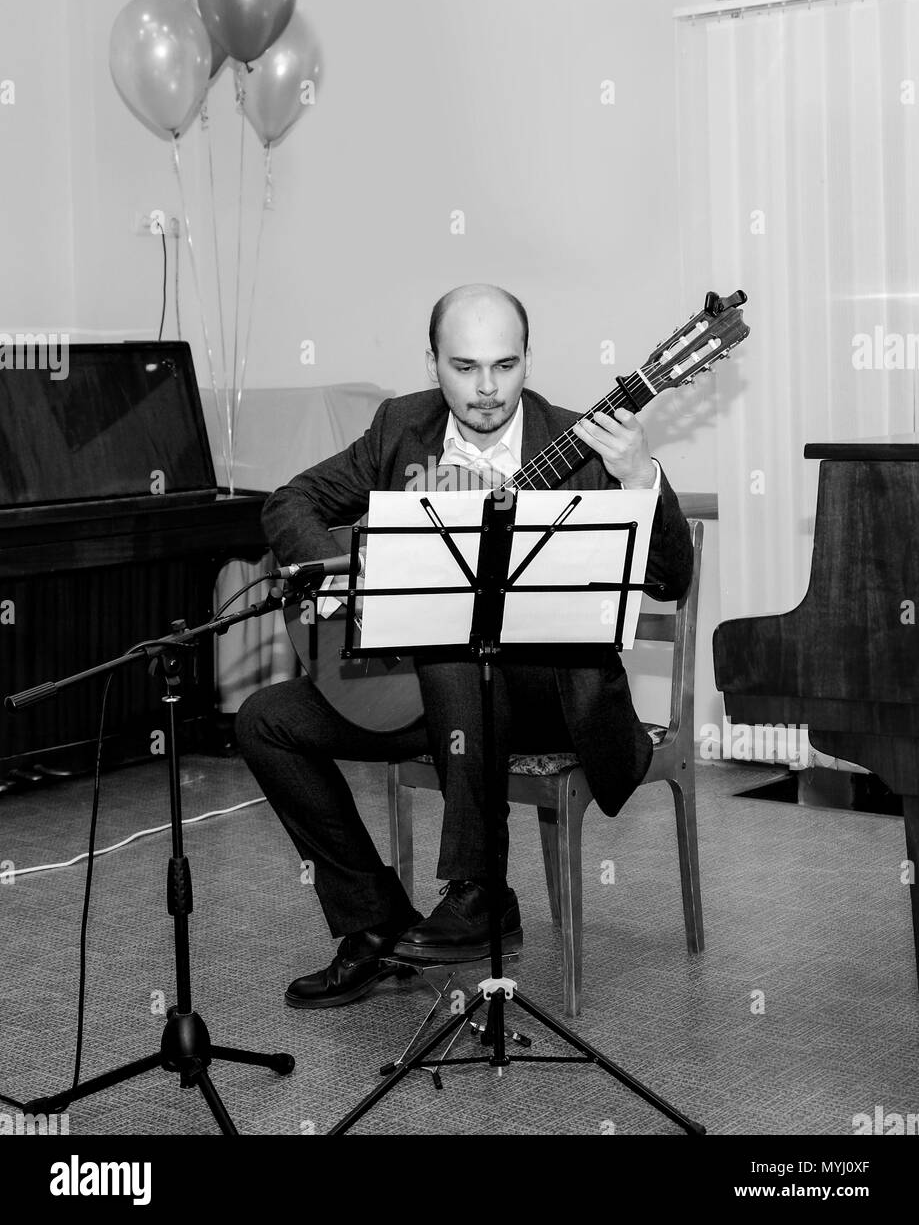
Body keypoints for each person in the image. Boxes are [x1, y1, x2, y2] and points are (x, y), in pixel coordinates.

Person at [235, 283, 693, 1008]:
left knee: (455, 639)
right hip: (431, 695)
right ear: (431, 364)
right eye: (465, 367)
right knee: (266, 720)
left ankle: (480, 890)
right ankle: (375, 927)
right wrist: (334, 574)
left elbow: (670, 579)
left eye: (505, 366)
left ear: (528, 360)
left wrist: (641, 476)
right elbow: (288, 502)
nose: (486, 389)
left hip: (548, 696)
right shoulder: (398, 428)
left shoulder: (580, 442)